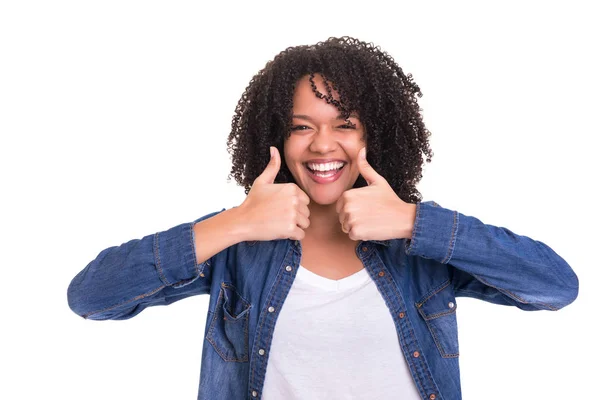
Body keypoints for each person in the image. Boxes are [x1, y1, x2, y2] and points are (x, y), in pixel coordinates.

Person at [67, 36, 579, 400]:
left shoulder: (417, 239)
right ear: (274, 137)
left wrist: (412, 223)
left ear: (375, 133)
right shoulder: (240, 243)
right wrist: (238, 223)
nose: (322, 145)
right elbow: (90, 297)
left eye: (346, 124)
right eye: (300, 127)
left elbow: (556, 287)